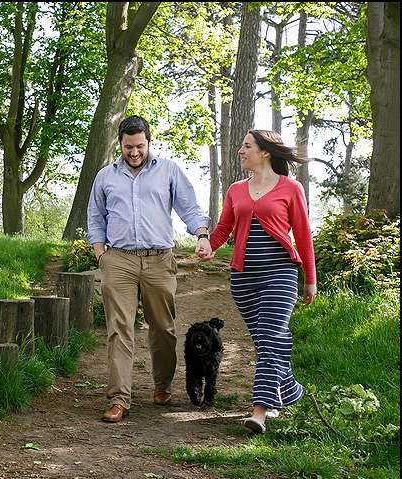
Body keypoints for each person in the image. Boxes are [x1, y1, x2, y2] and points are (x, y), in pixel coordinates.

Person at [87, 115, 212, 423]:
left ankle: (162, 386)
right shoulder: (106, 176)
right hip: (119, 259)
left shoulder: (168, 171)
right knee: (119, 330)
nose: (134, 152)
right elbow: (96, 216)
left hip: (159, 259)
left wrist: (202, 235)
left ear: (149, 142)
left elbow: (189, 207)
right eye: (128, 146)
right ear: (120, 143)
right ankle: (119, 398)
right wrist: (100, 250)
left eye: (139, 146)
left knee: (163, 328)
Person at [199, 129, 317, 434]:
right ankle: (290, 391)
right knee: (270, 343)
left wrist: (310, 280)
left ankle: (260, 411)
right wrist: (208, 245)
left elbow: (303, 235)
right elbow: (224, 228)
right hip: (244, 279)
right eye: (242, 145)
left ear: (264, 152)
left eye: (246, 146)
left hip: (280, 274)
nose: (241, 150)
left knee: (268, 341)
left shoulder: (291, 188)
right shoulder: (236, 190)